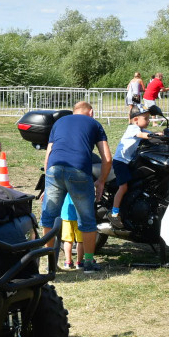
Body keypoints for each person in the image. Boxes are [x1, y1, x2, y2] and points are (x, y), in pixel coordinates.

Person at [39, 101, 112, 274]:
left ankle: (50, 262)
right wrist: (101, 181)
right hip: (79, 171)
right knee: (86, 219)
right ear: (91, 112)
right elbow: (107, 158)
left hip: (54, 169)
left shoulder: (59, 122)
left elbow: (48, 154)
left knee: (49, 217)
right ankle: (87, 263)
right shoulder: (94, 124)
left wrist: (47, 179)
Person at [109, 107, 157, 228]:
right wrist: (154, 136)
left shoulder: (140, 128)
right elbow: (144, 135)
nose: (148, 120)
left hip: (128, 161)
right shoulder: (133, 129)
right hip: (121, 161)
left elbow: (151, 133)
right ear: (136, 119)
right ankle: (114, 213)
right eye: (146, 118)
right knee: (123, 187)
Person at [60, 196, 82, 270]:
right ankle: (79, 262)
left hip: (66, 214)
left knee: (67, 240)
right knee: (80, 240)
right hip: (79, 215)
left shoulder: (65, 185)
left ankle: (68, 262)